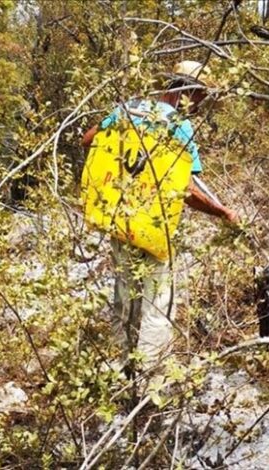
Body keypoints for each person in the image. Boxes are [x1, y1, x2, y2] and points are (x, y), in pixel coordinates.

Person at [81, 61, 239, 382]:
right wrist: (223, 213)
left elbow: (87, 140)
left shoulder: (129, 110)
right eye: (200, 98)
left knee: (124, 295)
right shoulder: (180, 127)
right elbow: (186, 191)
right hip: (153, 228)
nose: (199, 106)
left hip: (120, 219)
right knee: (157, 305)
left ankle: (119, 372)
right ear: (189, 93)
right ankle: (152, 383)